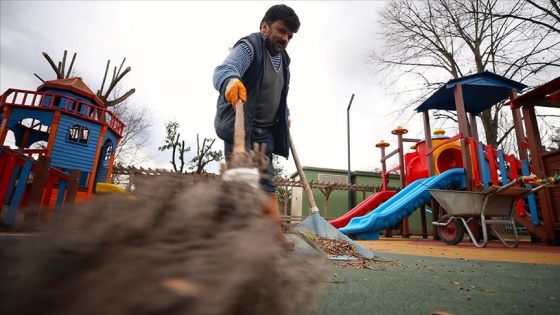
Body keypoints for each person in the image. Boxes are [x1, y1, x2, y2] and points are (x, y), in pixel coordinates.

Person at [213, 4, 300, 250]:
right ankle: (232, 237)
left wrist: (286, 115)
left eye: (289, 36)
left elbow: (279, 94)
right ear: (264, 26)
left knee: (267, 182)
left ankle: (274, 234)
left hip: (266, 131)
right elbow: (225, 69)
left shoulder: (284, 60)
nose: (284, 38)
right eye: (281, 31)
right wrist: (230, 82)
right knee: (239, 182)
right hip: (241, 127)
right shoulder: (249, 47)